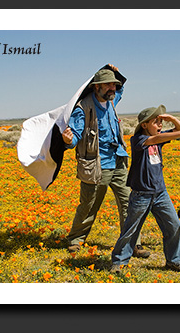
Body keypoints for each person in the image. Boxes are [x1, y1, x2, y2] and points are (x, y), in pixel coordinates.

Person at [62, 64, 150, 258]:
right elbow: (75, 134)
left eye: (114, 84)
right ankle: (76, 239)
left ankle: (133, 243)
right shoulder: (83, 107)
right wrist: (69, 141)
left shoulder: (112, 100)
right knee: (89, 204)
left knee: (129, 203)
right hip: (96, 165)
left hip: (118, 160)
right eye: (108, 84)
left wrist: (115, 72)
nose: (113, 88)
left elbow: (122, 89)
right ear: (96, 86)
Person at [110, 105, 180, 273]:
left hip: (160, 193)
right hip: (141, 194)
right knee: (131, 230)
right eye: (156, 122)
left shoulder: (159, 136)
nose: (160, 126)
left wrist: (172, 120)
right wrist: (179, 133)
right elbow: (155, 140)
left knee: (173, 226)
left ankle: (175, 261)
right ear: (144, 125)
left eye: (161, 122)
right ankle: (119, 262)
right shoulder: (138, 139)